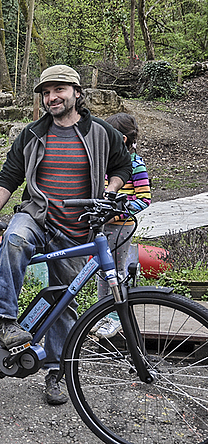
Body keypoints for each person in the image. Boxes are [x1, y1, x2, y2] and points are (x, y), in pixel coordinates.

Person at [0, 65, 132, 405]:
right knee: (14, 241)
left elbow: (122, 167)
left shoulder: (102, 133)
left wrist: (111, 190)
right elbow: (9, 176)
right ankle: (4, 321)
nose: (51, 98)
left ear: (77, 92)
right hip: (37, 216)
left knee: (64, 303)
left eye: (58, 90)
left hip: (77, 229)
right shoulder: (33, 134)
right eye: (46, 93)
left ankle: (56, 372)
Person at [92, 113, 151, 338]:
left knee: (116, 271)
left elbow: (144, 199)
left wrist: (116, 214)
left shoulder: (135, 164)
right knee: (101, 271)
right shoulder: (105, 162)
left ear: (122, 139)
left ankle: (117, 318)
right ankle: (101, 313)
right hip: (102, 226)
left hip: (121, 227)